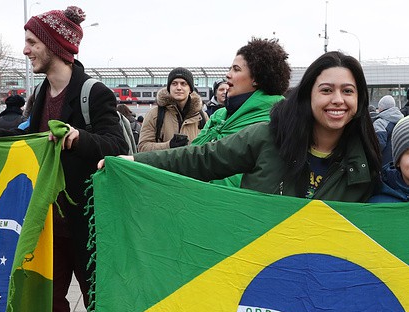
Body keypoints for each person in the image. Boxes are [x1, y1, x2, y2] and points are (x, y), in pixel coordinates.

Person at [0, 5, 128, 312]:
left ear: (57, 46)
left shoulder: (93, 92)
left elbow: (114, 143)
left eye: (32, 42)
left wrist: (78, 138)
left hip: (90, 222)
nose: (25, 50)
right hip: (47, 226)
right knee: (49, 306)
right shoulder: (40, 94)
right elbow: (29, 137)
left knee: (102, 308)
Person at [101, 51, 381, 202]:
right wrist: (136, 161)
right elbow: (203, 158)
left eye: (347, 91)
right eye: (326, 90)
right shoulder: (268, 137)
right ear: (308, 96)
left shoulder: (369, 157)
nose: (337, 100)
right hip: (258, 272)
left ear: (359, 98)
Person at [193, 37, 291, 187]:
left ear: (256, 79)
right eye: (230, 68)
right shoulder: (219, 116)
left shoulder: (275, 119)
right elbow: (191, 157)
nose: (228, 75)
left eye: (236, 69)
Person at [138, 67, 208, 151]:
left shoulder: (202, 116)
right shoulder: (154, 114)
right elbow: (142, 147)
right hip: (163, 164)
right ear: (169, 88)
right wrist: (169, 145)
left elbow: (209, 147)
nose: (178, 88)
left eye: (183, 84)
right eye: (174, 83)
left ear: (190, 89)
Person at [373, 94, 403, 166]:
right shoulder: (402, 120)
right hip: (400, 161)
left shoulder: (380, 122)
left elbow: (379, 144)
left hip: (385, 163)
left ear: (381, 107)